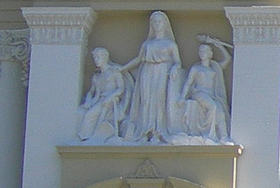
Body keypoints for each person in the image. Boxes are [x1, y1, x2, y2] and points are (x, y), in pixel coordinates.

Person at [122, 12, 184, 143]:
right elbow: (139, 59)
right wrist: (123, 68)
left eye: (159, 21)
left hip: (162, 71)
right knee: (145, 101)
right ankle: (145, 131)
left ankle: (157, 132)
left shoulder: (170, 44)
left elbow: (177, 62)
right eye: (154, 22)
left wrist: (174, 68)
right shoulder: (147, 44)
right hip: (147, 71)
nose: (157, 24)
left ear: (165, 24)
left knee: (159, 101)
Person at [175, 39, 231, 142]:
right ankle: (209, 134)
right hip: (199, 93)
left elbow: (228, 58)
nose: (202, 54)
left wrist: (219, 46)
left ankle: (223, 136)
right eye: (200, 51)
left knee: (220, 110)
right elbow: (189, 83)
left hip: (212, 95)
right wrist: (182, 97)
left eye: (204, 51)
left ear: (210, 54)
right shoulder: (196, 68)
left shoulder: (214, 68)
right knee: (213, 106)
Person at [77, 47, 132, 142]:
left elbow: (121, 88)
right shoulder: (97, 75)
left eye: (98, 57)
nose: (96, 60)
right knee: (81, 112)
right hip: (99, 100)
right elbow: (91, 91)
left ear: (105, 58)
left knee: (90, 115)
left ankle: (85, 138)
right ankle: (86, 138)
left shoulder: (114, 72)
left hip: (110, 101)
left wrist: (110, 97)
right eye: (95, 58)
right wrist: (88, 100)